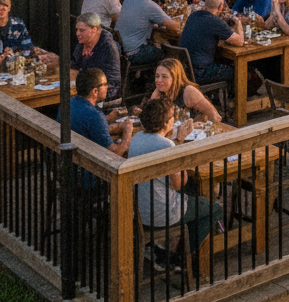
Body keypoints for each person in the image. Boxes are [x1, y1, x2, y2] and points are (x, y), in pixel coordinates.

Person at [130, 97, 222, 269]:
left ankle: (166, 246)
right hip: (160, 213)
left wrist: (176, 141)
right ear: (166, 123)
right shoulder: (165, 146)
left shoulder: (137, 138)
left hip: (139, 210)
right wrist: (179, 144)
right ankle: (178, 256)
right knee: (214, 209)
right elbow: (179, 184)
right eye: (172, 117)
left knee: (194, 195)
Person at [64, 68, 132, 158]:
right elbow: (115, 153)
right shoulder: (95, 116)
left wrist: (107, 118)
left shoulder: (68, 103)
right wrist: (128, 132)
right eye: (105, 84)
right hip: (85, 166)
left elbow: (87, 126)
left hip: (68, 158)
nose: (107, 87)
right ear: (95, 91)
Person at [178, 0, 243, 84]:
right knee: (239, 71)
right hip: (200, 73)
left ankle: (218, 95)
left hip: (185, 70)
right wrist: (238, 23)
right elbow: (240, 42)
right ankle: (240, 97)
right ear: (220, 6)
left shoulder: (193, 16)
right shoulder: (215, 21)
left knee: (223, 60)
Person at [118, 0, 182, 65]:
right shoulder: (150, 5)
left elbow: (138, 18)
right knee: (168, 54)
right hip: (135, 53)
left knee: (156, 40)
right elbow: (174, 27)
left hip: (121, 51)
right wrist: (184, 21)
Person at [149, 58, 221, 122]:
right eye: (157, 76)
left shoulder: (188, 91)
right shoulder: (159, 92)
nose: (159, 80)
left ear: (175, 78)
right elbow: (150, 118)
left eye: (164, 77)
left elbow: (215, 117)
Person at [73, 13, 122, 98]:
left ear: (94, 29)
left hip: (105, 89)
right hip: (88, 84)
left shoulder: (107, 46)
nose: (77, 33)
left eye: (82, 30)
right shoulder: (83, 43)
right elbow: (75, 64)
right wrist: (58, 61)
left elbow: (96, 73)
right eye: (77, 30)